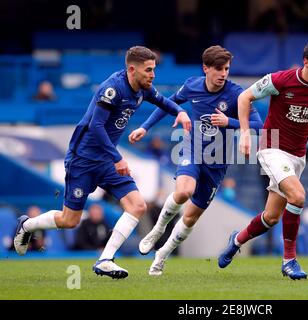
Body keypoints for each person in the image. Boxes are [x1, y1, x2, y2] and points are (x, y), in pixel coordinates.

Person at [13, 46, 191, 279]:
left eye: (153, 70)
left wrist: (180, 111)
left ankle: (105, 259)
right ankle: (26, 226)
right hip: (83, 160)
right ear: (132, 69)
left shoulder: (143, 87)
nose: (152, 75)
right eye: (148, 70)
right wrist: (117, 157)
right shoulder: (112, 89)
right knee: (70, 220)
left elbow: (163, 102)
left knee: (137, 206)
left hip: (106, 160)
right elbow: (96, 127)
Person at [128, 45, 263, 276]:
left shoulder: (237, 95)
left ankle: (162, 255)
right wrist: (144, 127)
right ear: (205, 68)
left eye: (227, 69)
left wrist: (229, 123)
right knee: (183, 191)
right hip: (192, 148)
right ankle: (158, 229)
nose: (223, 74)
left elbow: (260, 125)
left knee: (190, 217)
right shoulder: (192, 85)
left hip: (218, 161)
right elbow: (167, 104)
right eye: (218, 69)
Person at [218, 40, 308, 280]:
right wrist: (245, 133)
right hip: (271, 148)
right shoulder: (280, 80)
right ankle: (289, 261)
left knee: (271, 217)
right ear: (306, 62)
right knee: (298, 196)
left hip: (298, 156)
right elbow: (244, 98)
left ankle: (236, 241)